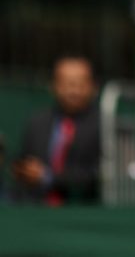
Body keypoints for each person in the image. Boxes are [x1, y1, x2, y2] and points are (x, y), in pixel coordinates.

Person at [13, 55, 101, 205]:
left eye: (80, 83)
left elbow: (100, 174)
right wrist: (23, 170)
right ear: (54, 85)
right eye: (67, 83)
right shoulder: (37, 123)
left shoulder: (105, 125)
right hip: (36, 207)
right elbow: (23, 161)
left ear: (93, 86)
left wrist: (48, 176)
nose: (73, 90)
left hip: (84, 208)